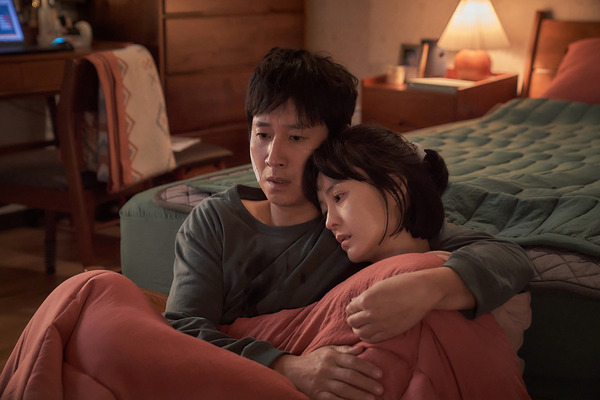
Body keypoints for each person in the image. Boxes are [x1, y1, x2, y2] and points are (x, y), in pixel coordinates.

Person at [163, 47, 534, 400]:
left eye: (296, 137)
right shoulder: (214, 222)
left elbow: (505, 258)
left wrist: (429, 289)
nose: (273, 157)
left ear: (333, 140)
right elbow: (182, 332)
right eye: (262, 135)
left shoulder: (360, 217)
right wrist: (286, 367)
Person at [219, 124, 531, 399]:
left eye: (339, 197)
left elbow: (509, 257)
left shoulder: (444, 257)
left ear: (396, 188)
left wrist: (428, 287)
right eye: (324, 209)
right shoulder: (337, 265)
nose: (328, 222)